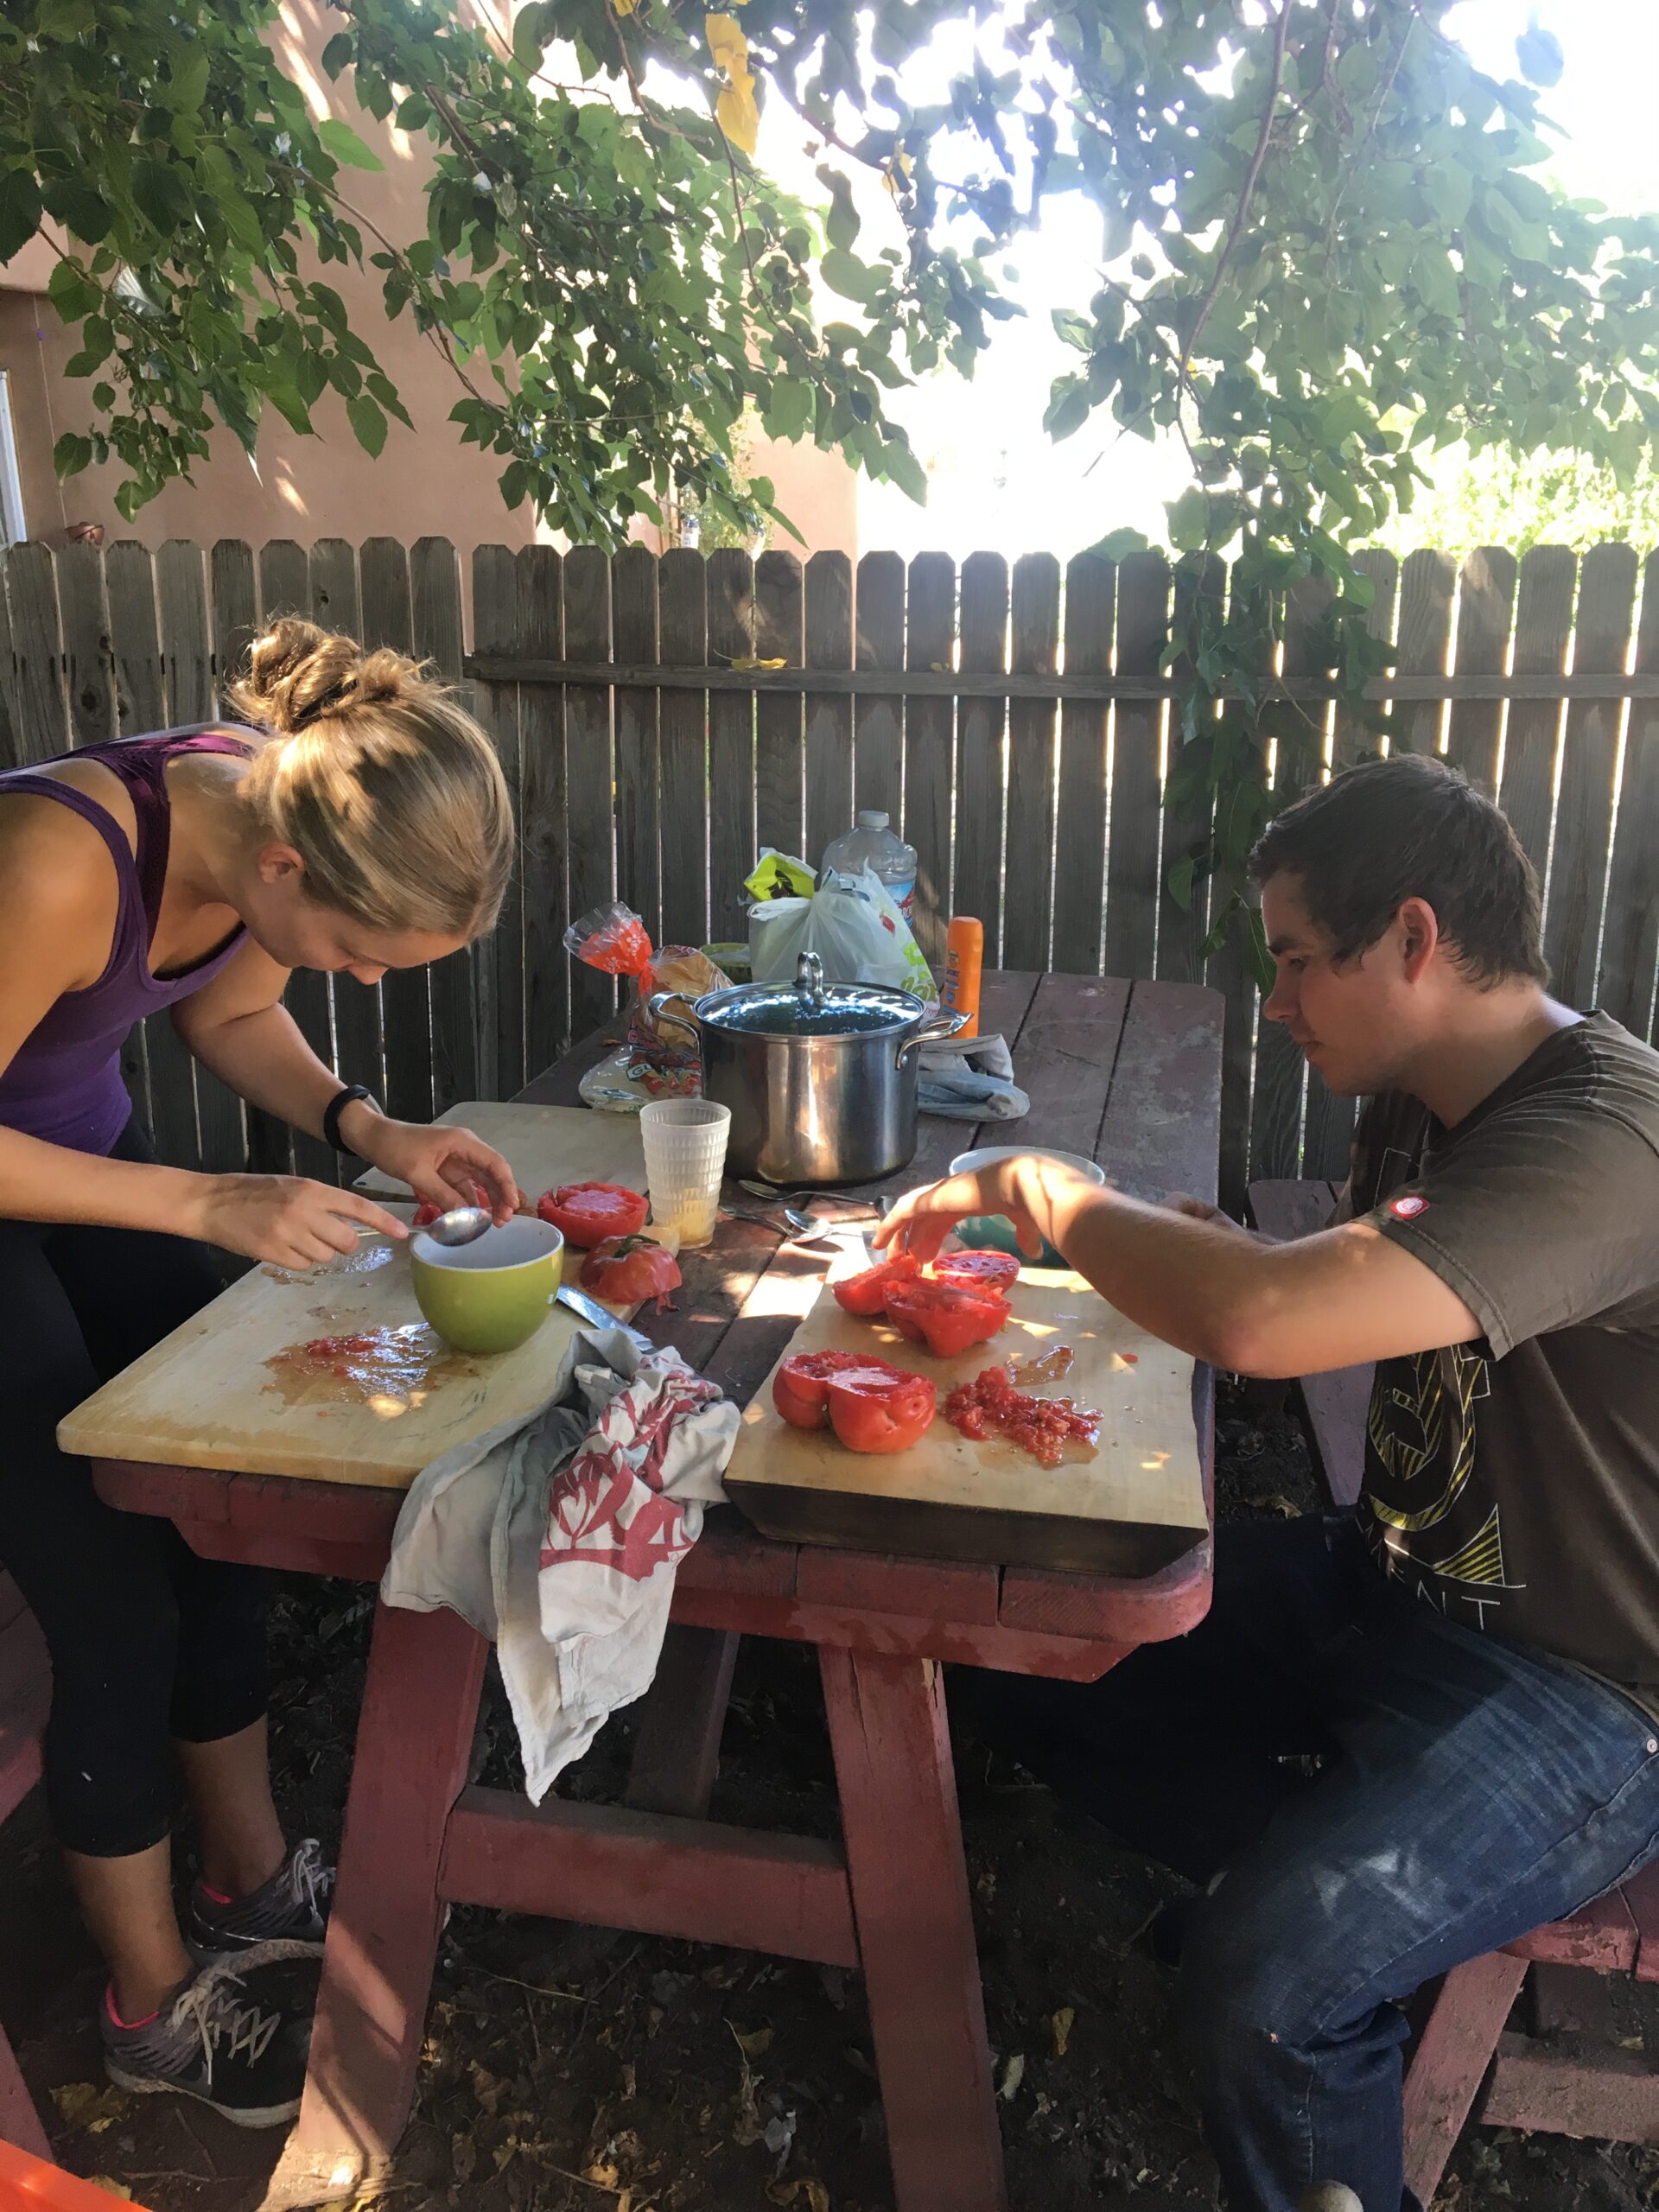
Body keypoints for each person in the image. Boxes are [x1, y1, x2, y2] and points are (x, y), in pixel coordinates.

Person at [878, 755, 1659, 2212]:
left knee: (1270, 1998)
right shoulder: (1429, 1088)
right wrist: (1221, 1249)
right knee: (1019, 1639)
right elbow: (1328, 1281)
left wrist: (1037, 1185)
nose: (1280, 1001)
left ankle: (1304, 1952)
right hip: (1401, 1581)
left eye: (1299, 961)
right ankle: (1307, 1884)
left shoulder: (1607, 1140)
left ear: (1415, 941)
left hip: (1596, 1696)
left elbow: (1265, 1325)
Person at [0, 618, 524, 2124]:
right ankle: (148, 2013)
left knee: (216, 1490)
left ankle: (244, 1879)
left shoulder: (270, 811)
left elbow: (231, 1004)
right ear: (288, 871)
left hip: (62, 1170)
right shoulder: (57, 862)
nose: (358, 981)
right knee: (107, 1593)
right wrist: (208, 1205)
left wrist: (375, 1130)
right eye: (361, 955)